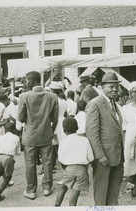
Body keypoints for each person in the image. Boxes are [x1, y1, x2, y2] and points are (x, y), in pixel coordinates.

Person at [18, 71, 59, 200]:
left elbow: (21, 117)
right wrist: (51, 130)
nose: (25, 83)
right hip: (46, 133)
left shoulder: (24, 96)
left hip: (29, 135)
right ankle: (47, 187)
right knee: (47, 162)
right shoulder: (53, 96)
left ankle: (31, 190)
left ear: (30, 81)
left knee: (30, 163)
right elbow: (55, 118)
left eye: (26, 81)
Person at [86, 72, 124, 206]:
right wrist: (100, 155)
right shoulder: (95, 104)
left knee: (114, 190)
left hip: (117, 155)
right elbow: (92, 133)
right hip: (104, 157)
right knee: (101, 192)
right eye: (110, 87)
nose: (114, 89)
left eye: (116, 87)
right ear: (102, 87)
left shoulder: (113, 103)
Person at [55, 117, 94, 206]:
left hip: (69, 169)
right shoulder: (85, 140)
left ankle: (56, 206)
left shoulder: (63, 142)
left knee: (63, 188)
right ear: (77, 128)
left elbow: (60, 159)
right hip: (82, 171)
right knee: (73, 199)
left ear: (64, 130)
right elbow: (91, 158)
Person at [50, 81, 67, 171]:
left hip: (56, 123)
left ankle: (65, 168)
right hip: (61, 121)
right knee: (56, 146)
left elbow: (54, 115)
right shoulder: (63, 100)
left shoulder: (55, 100)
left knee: (57, 147)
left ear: (52, 90)